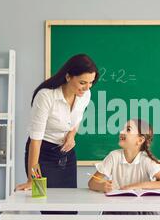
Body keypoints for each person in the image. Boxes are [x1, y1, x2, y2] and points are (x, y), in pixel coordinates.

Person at [16, 54, 98, 198]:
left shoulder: (85, 95)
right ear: (68, 77)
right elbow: (35, 141)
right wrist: (32, 179)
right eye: (82, 82)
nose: (87, 87)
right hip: (42, 155)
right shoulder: (46, 96)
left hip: (67, 155)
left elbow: (76, 119)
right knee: (46, 204)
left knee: (69, 206)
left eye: (91, 82)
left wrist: (72, 135)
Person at [88, 119, 160, 214]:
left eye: (128, 129)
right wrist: (102, 186)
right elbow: (92, 183)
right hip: (115, 209)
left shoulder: (146, 160)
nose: (121, 132)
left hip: (142, 211)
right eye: (123, 129)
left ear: (140, 140)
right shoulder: (113, 156)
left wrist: (135, 186)